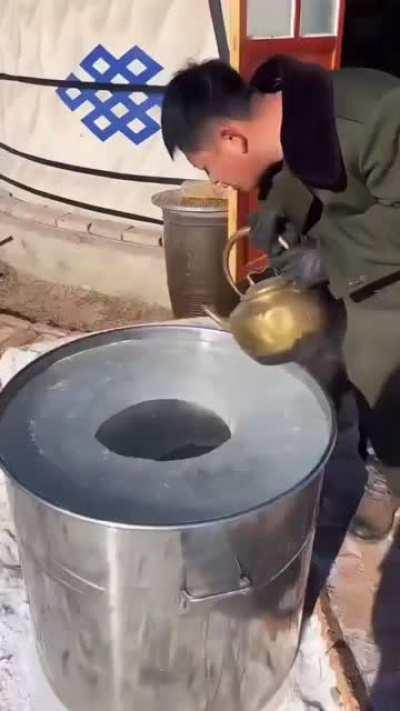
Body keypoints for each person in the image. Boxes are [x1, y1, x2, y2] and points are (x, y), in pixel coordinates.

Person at [160, 55, 400, 541]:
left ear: (232, 137)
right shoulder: (288, 118)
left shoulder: (380, 116)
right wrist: (279, 212)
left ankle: (388, 472)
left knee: (378, 364)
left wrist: (330, 256)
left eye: (208, 167)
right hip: (364, 250)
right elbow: (302, 170)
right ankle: (335, 435)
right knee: (320, 350)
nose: (215, 182)